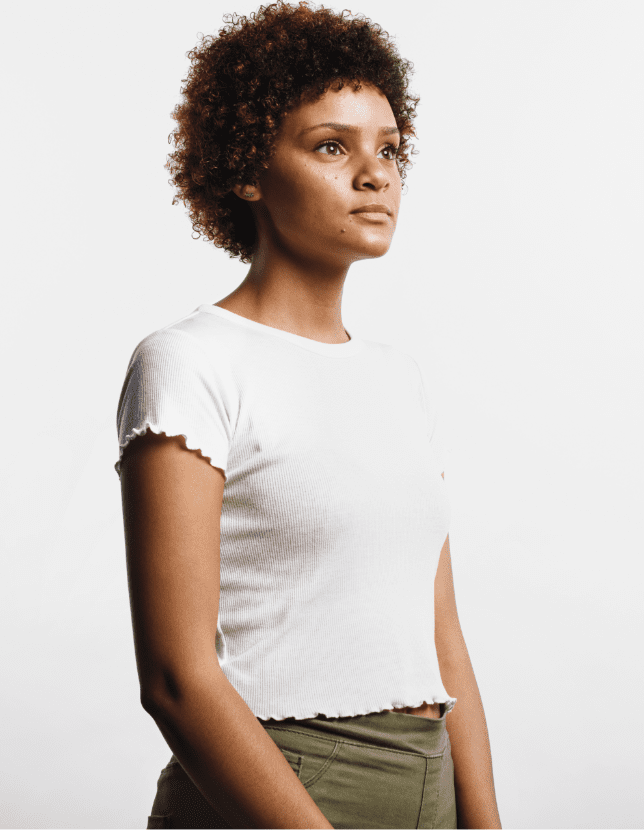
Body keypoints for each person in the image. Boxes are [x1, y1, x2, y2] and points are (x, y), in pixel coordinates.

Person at [115, 2, 502, 828]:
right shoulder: (190, 362)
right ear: (247, 170)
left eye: (389, 149)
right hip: (278, 788)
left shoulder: (398, 378)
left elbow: (441, 637)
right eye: (332, 146)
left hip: (430, 781)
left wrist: (483, 818)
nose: (376, 175)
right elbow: (176, 680)